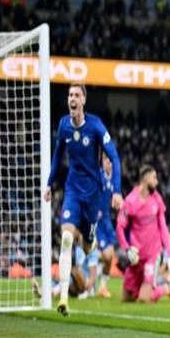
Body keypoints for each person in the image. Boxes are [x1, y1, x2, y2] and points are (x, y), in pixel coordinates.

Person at [44, 83, 122, 316]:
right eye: (70, 94)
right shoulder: (64, 125)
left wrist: (117, 191)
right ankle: (64, 299)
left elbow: (114, 156)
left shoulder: (95, 126)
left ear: (83, 101)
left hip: (93, 195)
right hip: (73, 192)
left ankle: (91, 240)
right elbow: (57, 156)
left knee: (88, 247)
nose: (72, 98)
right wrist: (48, 183)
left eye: (77, 95)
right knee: (67, 238)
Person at [116, 165, 170, 303]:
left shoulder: (157, 199)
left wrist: (169, 252)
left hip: (152, 255)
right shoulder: (130, 201)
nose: (157, 181)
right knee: (126, 299)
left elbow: (163, 227)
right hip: (136, 256)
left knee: (144, 299)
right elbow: (120, 227)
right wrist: (126, 249)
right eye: (154, 178)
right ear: (146, 180)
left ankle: (165, 289)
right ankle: (155, 289)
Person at [96, 154, 117, 298]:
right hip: (97, 220)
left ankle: (103, 287)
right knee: (106, 254)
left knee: (110, 255)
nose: (108, 162)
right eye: (106, 160)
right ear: (102, 162)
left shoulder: (114, 178)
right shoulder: (98, 175)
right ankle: (91, 262)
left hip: (107, 220)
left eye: (110, 160)